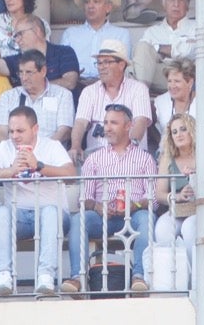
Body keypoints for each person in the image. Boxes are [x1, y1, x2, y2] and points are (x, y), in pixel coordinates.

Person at [0, 106, 75, 298]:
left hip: (54, 217)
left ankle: (46, 276)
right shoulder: (5, 148)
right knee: (1, 212)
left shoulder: (51, 146)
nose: (14, 136)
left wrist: (39, 166)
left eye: (20, 131)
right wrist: (10, 170)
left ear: (35, 129)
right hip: (20, 217)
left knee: (49, 211)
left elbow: (71, 174)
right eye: (11, 131)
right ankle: (4, 275)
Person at [64, 104, 157, 295]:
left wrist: (134, 205)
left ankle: (139, 276)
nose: (107, 127)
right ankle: (77, 277)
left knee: (146, 217)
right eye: (105, 122)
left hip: (134, 215)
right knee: (78, 219)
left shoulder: (145, 159)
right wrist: (98, 207)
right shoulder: (94, 159)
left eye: (113, 122)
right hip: (102, 217)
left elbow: (153, 199)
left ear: (128, 126)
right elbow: (85, 199)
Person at [70, 40, 152, 161]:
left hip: (132, 156)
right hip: (96, 156)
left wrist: (128, 149)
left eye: (107, 62)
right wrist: (75, 146)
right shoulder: (89, 91)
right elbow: (80, 123)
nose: (101, 67)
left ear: (122, 65)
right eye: (99, 63)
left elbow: (140, 122)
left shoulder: (139, 89)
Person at [0, 49, 74, 144]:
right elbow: (0, 130)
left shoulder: (62, 95)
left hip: (50, 153)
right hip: (15, 152)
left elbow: (64, 131)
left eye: (29, 72)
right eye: (21, 72)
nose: (24, 78)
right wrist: (11, 151)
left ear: (43, 71)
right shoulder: (8, 96)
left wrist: (43, 150)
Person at [132, 0, 197, 94]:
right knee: (132, 66)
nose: (176, 4)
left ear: (188, 4)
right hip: (161, 75)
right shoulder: (152, 32)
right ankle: (142, 93)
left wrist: (156, 49)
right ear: (163, 3)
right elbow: (141, 56)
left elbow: (189, 51)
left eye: (181, 0)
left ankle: (140, 94)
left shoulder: (197, 27)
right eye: (171, 0)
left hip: (186, 75)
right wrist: (175, 50)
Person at [60, 0, 131, 82]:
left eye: (96, 1)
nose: (90, 6)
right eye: (87, 1)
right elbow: (64, 66)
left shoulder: (121, 34)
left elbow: (122, 67)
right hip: (77, 84)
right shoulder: (70, 33)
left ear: (108, 7)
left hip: (108, 85)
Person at [154, 112, 197, 267]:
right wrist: (177, 196)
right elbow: (159, 194)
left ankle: (196, 279)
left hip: (201, 209)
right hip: (178, 209)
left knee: (189, 228)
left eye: (183, 129)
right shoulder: (167, 158)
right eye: (174, 132)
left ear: (192, 130)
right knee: (162, 229)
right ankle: (175, 278)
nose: (179, 135)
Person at [0, 14, 79, 90]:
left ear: (37, 31)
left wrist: (37, 87)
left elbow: (69, 83)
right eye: (16, 36)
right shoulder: (19, 59)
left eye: (20, 34)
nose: (17, 40)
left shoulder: (64, 52)